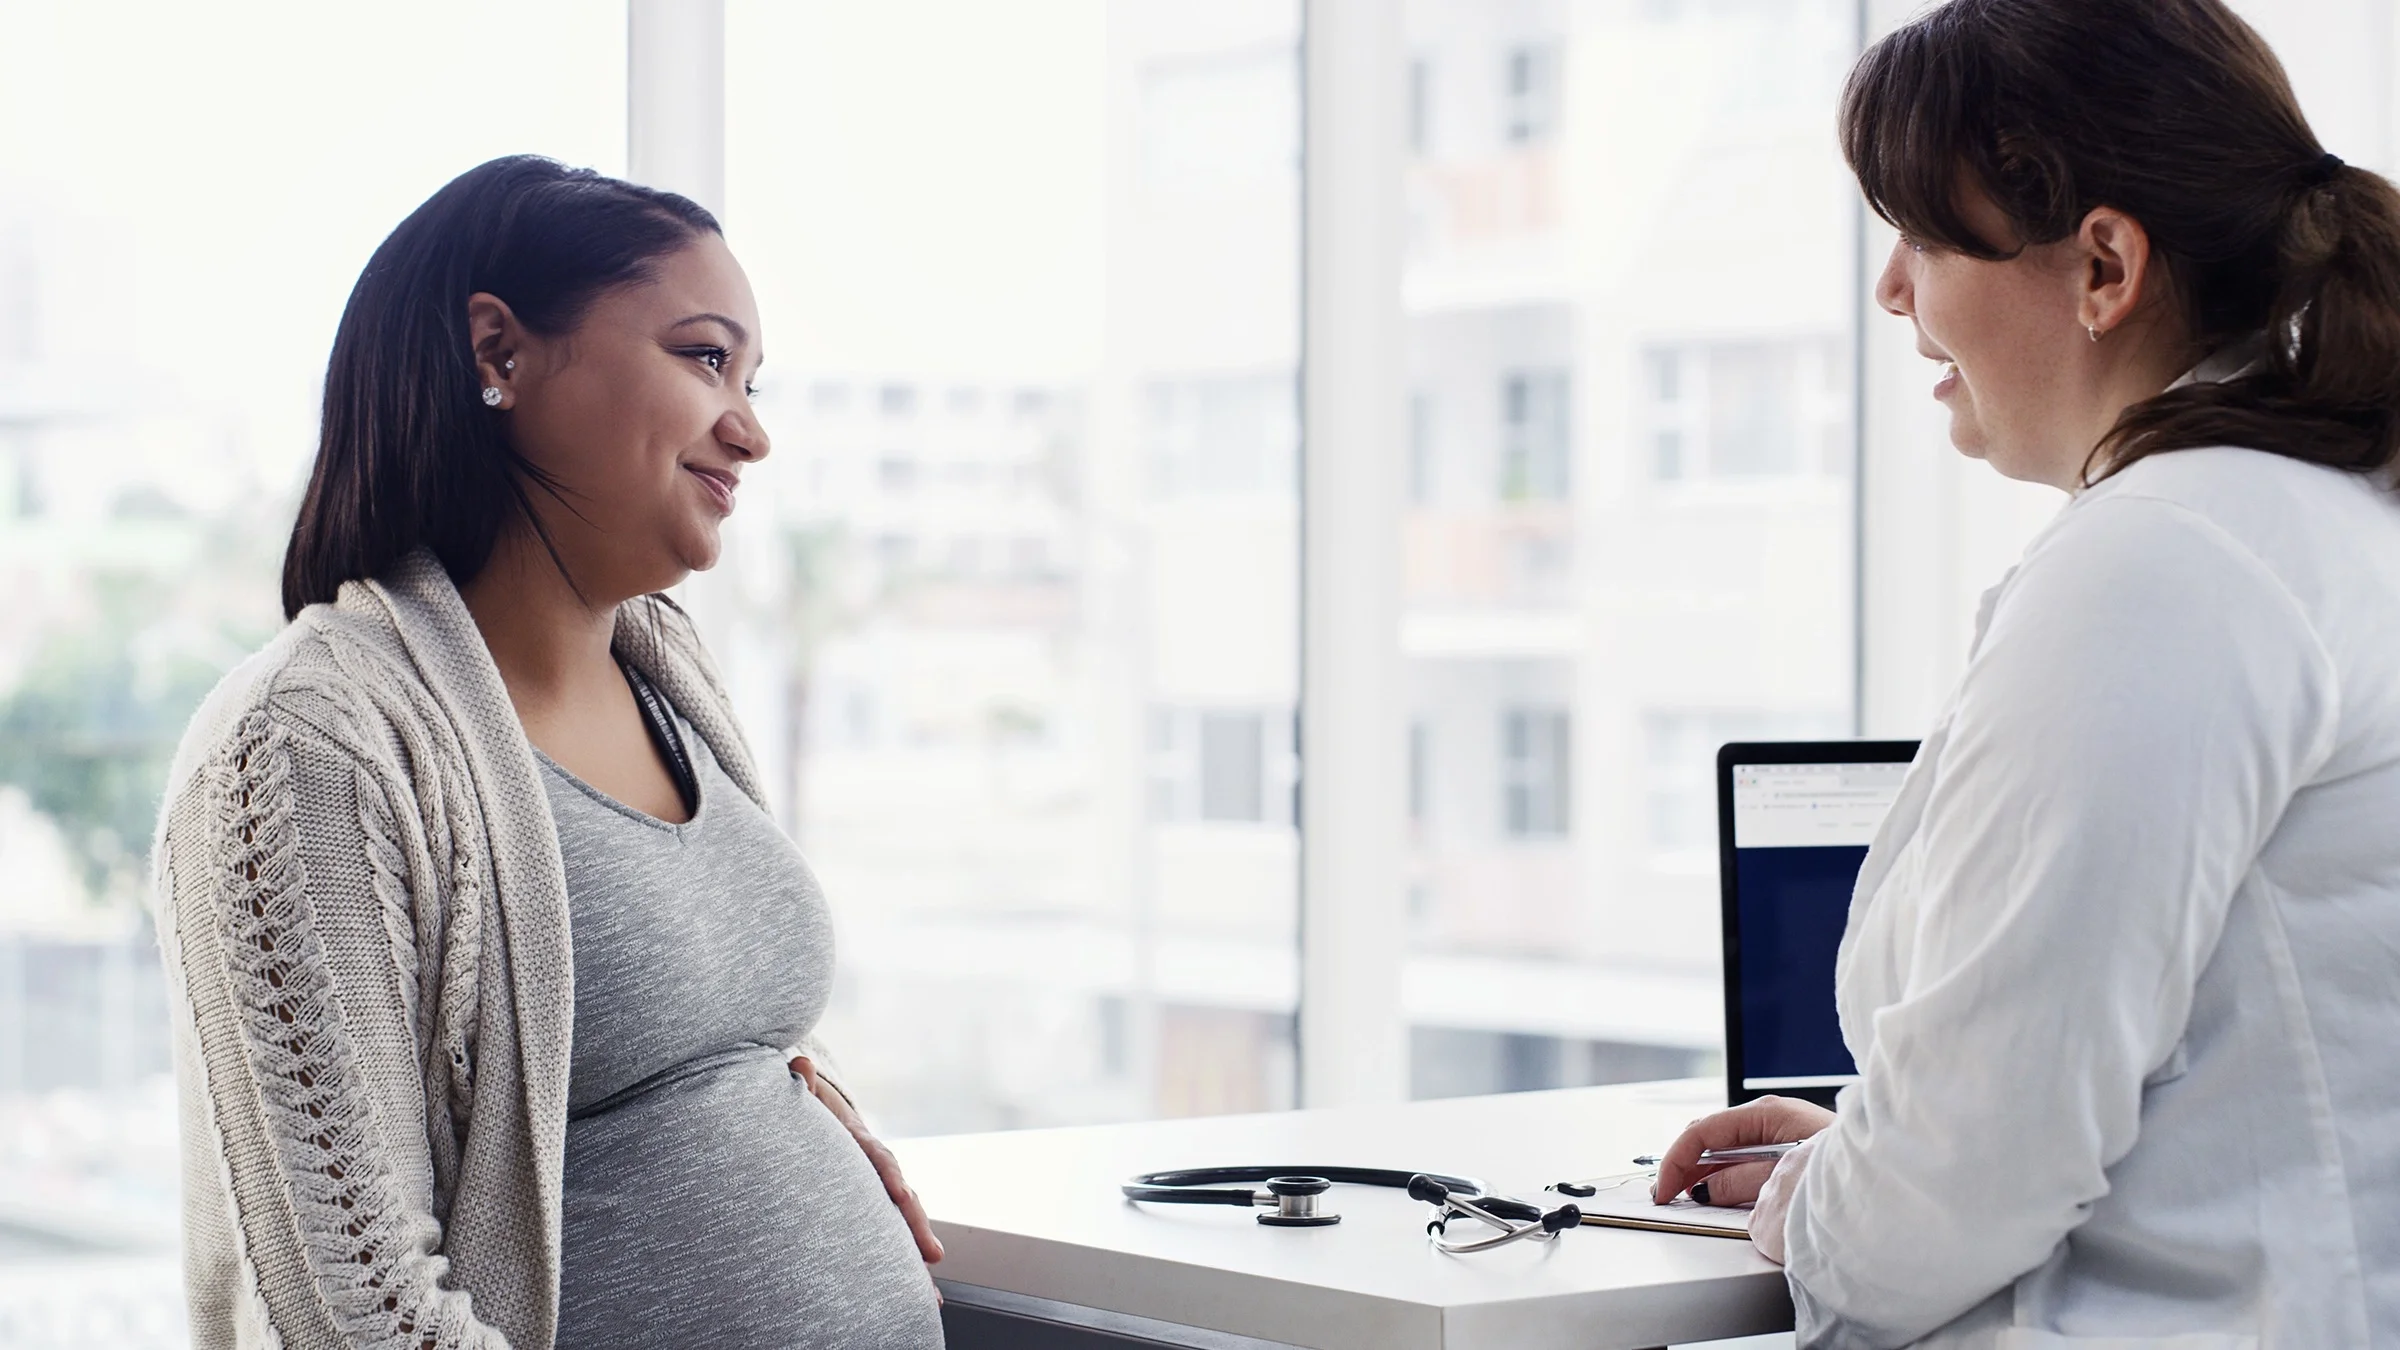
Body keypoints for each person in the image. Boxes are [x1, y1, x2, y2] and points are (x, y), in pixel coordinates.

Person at [1649, 0, 2400, 1344]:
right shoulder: (2319, 522)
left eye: (1921, 236)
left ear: (2103, 265)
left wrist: (1828, 1201)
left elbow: (1965, 1173)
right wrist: (1874, 1158)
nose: (1893, 291)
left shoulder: (2170, 564)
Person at [153, 156, 946, 1349]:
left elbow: (682, 1021)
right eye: (704, 357)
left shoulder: (665, 670)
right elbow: (355, 1311)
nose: (752, 429)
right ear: (498, 354)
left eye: (753, 377)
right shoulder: (306, 749)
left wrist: (804, 1101)